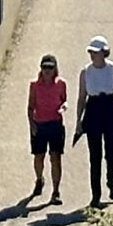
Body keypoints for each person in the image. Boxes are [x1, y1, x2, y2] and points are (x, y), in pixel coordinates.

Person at [77, 36, 113, 206]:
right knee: (95, 154)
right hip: (93, 109)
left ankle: (111, 180)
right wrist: (79, 120)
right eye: (91, 52)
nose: (92, 55)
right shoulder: (85, 72)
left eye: (95, 52)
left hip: (109, 107)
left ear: (103, 53)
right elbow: (82, 97)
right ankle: (95, 194)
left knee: (111, 149)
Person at [27, 54, 69, 204]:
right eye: (44, 67)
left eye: (50, 67)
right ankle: (39, 179)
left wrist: (63, 107)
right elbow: (31, 106)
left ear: (55, 68)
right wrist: (32, 125)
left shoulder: (61, 84)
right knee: (39, 157)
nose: (47, 71)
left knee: (55, 157)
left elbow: (64, 100)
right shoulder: (34, 86)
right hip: (40, 124)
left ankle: (56, 191)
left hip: (55, 124)